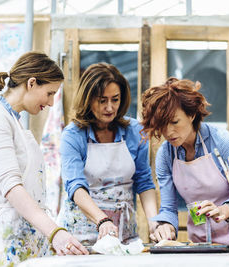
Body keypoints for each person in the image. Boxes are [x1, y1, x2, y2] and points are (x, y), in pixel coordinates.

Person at [0, 51, 89, 267]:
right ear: (32, 83)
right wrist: (55, 233)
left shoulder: (13, 120)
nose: (50, 102)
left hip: (18, 238)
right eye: (49, 93)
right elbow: (12, 187)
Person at [57, 63, 158, 245]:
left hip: (124, 235)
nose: (110, 108)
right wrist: (102, 220)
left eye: (115, 99)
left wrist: (154, 223)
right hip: (80, 236)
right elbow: (75, 185)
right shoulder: (73, 135)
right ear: (88, 99)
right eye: (102, 100)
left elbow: (144, 181)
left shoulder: (135, 131)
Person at [141, 77, 229, 245]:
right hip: (199, 243)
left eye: (174, 122)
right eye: (162, 124)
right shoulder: (166, 155)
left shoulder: (222, 142)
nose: (168, 131)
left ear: (192, 114)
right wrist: (165, 227)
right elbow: (168, 209)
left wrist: (222, 209)